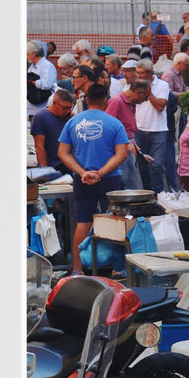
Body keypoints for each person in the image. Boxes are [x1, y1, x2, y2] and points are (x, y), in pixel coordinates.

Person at [56, 83, 129, 274]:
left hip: (82, 181)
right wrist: (102, 172)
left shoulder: (73, 122)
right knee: (115, 220)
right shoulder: (114, 123)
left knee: (82, 223)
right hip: (111, 179)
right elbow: (121, 154)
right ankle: (117, 268)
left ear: (86, 100)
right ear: (106, 100)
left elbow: (63, 153)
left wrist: (82, 172)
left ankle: (77, 269)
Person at [133, 60, 171, 192]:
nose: (138, 76)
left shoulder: (163, 85)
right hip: (140, 129)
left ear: (150, 73)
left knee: (157, 165)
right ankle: (145, 192)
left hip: (158, 130)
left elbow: (160, 106)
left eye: (141, 73)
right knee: (142, 165)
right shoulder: (134, 85)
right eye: (137, 73)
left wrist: (148, 92)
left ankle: (158, 194)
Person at [104, 79, 146, 189]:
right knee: (125, 185)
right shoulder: (116, 101)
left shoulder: (131, 104)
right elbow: (107, 128)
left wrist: (139, 151)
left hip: (128, 149)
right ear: (138, 92)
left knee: (134, 185)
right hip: (119, 150)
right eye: (145, 97)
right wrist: (126, 144)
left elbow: (130, 130)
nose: (145, 100)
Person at [30, 88, 74, 173]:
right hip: (54, 165)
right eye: (65, 108)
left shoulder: (68, 117)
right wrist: (45, 171)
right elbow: (39, 146)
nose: (68, 111)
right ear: (54, 103)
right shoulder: (41, 118)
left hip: (69, 163)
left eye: (70, 108)